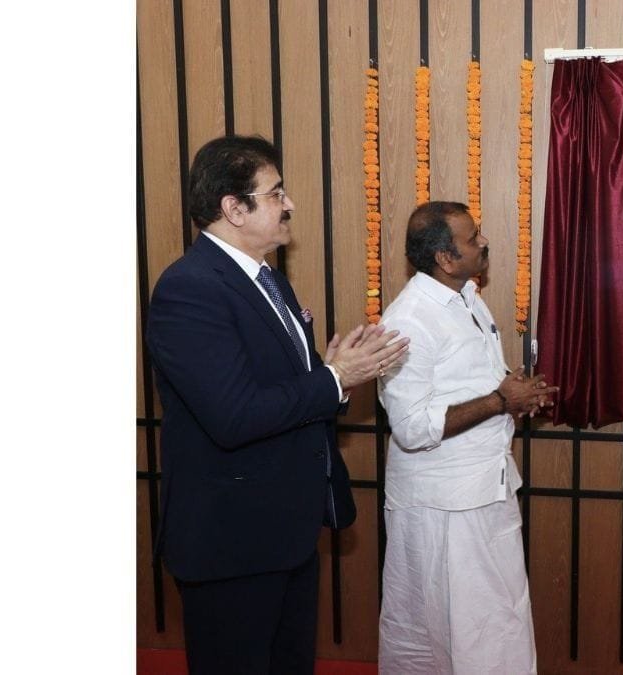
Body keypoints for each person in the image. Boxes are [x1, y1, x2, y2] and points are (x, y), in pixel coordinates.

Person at [146, 135, 408, 674]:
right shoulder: (190, 288)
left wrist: (332, 375)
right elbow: (234, 416)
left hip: (285, 533)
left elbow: (284, 393)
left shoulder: (269, 281)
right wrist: (334, 378)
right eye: (276, 193)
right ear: (233, 208)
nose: (290, 204)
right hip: (231, 543)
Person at [376, 201, 558, 674]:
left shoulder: (468, 297)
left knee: (498, 622)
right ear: (445, 258)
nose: (484, 243)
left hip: (485, 487)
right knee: (450, 632)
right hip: (443, 507)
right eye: (473, 238)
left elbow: (470, 384)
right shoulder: (408, 321)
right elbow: (412, 427)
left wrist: (515, 396)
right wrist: (499, 401)